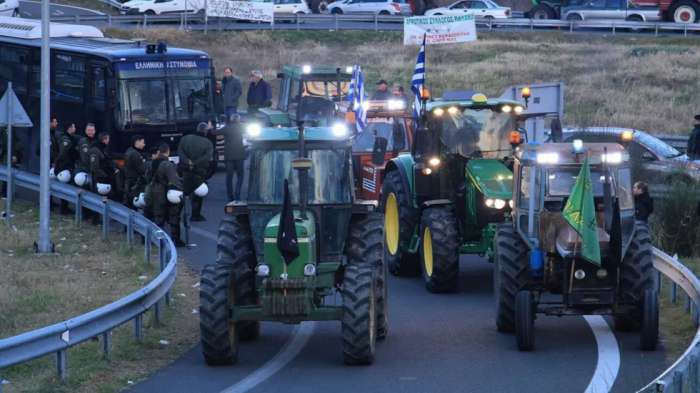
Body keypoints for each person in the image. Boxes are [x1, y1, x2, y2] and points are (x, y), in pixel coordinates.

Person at [150, 142, 186, 247]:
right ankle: (176, 240)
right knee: (174, 217)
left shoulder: (152, 163)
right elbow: (174, 180)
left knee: (158, 217)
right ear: (168, 151)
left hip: (155, 192)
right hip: (166, 192)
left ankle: (157, 240)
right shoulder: (167, 164)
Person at [178, 122, 213, 221]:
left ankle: (176, 213)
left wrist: (187, 161)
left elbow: (180, 151)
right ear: (205, 131)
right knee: (198, 193)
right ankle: (195, 215)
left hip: (185, 170)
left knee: (183, 192)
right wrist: (195, 163)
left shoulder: (185, 138)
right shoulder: (208, 143)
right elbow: (207, 157)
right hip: (199, 171)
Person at [212, 114, 246, 201]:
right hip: (239, 155)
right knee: (240, 175)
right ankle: (237, 194)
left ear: (231, 120)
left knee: (229, 177)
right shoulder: (242, 127)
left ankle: (230, 197)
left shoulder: (227, 128)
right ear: (238, 120)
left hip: (229, 156)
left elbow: (214, 132)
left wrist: (210, 127)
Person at [53, 123, 78, 214]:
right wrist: (57, 163)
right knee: (65, 187)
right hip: (64, 166)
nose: (75, 128)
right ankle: (63, 208)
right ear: (69, 128)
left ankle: (64, 207)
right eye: (73, 127)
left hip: (64, 166)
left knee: (64, 187)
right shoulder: (66, 140)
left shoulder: (69, 138)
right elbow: (62, 154)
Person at [89, 132, 120, 205]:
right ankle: (95, 214)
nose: (109, 141)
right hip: (100, 179)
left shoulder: (103, 148)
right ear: (104, 139)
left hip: (105, 178)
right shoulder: (96, 150)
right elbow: (95, 167)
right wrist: (105, 176)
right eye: (108, 139)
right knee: (98, 198)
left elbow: (107, 160)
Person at [124, 135, 148, 210]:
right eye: (143, 142)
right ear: (137, 142)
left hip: (128, 181)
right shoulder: (135, 154)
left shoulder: (128, 151)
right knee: (133, 202)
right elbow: (142, 170)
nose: (144, 144)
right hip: (134, 182)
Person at [0, 126, 24, 200]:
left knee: (6, 175)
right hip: (5, 155)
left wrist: (15, 154)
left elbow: (14, 142)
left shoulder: (8, 129)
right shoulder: (5, 129)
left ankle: (5, 193)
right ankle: (4, 193)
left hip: (7, 156)